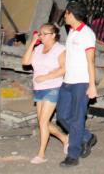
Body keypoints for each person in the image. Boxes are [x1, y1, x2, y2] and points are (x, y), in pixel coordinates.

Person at [56, 1, 98, 168]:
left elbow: (91, 60)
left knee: (76, 119)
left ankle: (73, 155)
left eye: (65, 13)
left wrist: (92, 85)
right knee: (62, 117)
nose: (64, 16)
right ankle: (87, 137)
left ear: (71, 14)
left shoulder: (87, 34)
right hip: (67, 81)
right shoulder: (72, 31)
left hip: (81, 82)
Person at [21, 23, 69, 164]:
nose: (41, 36)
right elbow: (25, 61)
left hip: (53, 87)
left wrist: (46, 77)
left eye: (44, 34)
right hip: (39, 88)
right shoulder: (39, 48)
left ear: (53, 35)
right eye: (40, 33)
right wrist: (32, 43)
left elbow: (64, 68)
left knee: (43, 121)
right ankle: (65, 139)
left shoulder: (60, 49)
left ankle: (41, 154)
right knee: (43, 122)